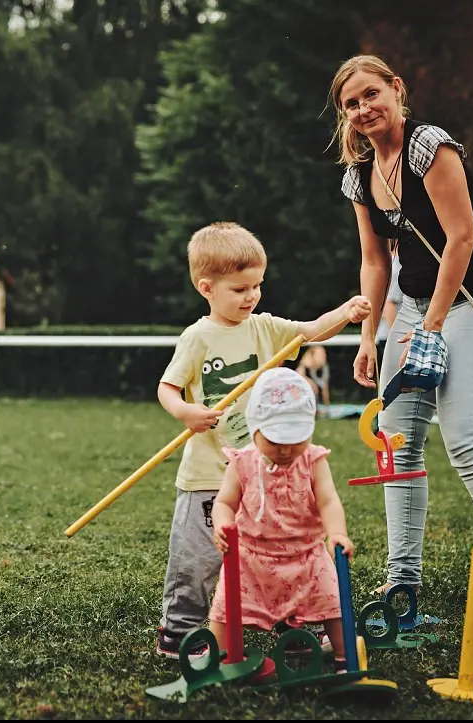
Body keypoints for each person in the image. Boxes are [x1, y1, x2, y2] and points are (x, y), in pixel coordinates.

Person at [329, 54, 473, 616]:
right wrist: (369, 334)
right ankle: (403, 580)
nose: (363, 108)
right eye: (351, 104)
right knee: (397, 444)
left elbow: (462, 238)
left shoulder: (430, 146)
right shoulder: (358, 176)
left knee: (466, 438)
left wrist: (434, 327)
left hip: (470, 299)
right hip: (415, 305)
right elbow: (375, 263)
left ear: (396, 89)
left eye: (372, 94)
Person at [155, 221, 370, 657]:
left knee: (276, 549)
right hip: (208, 473)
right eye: (239, 289)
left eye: (257, 285)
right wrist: (187, 413)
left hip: (259, 470)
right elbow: (167, 388)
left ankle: (292, 623)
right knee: (199, 557)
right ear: (206, 287)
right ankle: (178, 632)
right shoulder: (198, 338)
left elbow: (310, 331)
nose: (251, 296)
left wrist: (345, 313)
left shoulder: (265, 327)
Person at [210, 367, 354, 675]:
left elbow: (329, 500)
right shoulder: (242, 462)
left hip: (306, 554)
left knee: (334, 600)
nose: (287, 449)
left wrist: (337, 534)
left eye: (296, 438)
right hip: (251, 557)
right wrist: (222, 524)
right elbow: (224, 502)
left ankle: (346, 658)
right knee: (224, 607)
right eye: (276, 440)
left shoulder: (313, 460)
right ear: (255, 428)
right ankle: (219, 658)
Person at [375, 247, 403, 364]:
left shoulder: (386, 263)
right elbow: (389, 305)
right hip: (391, 338)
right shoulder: (396, 268)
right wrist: (398, 341)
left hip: (386, 336)